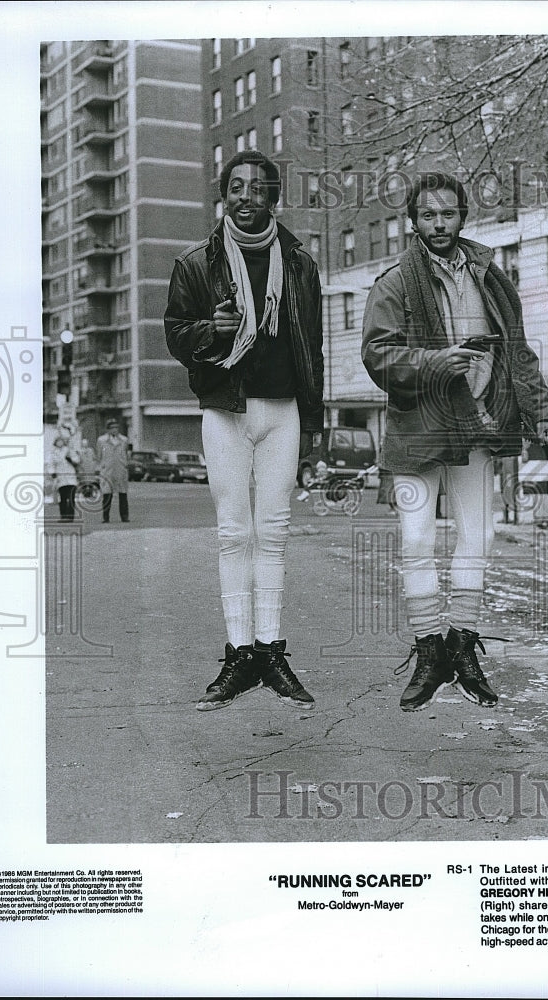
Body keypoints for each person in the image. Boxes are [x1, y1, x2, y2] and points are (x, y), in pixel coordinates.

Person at [361, 171, 548, 713]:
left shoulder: (491, 278)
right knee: (417, 540)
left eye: (448, 214)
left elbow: (518, 352)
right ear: (414, 220)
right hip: (418, 429)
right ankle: (428, 653)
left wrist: (541, 413)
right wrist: (434, 360)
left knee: (479, 537)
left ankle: (462, 647)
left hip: (478, 425)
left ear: (463, 216)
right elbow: (377, 354)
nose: (439, 224)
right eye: (428, 215)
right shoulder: (395, 282)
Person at [164, 150, 324, 713]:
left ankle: (270, 650)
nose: (246, 197)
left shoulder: (300, 264)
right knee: (235, 531)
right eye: (236, 187)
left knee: (273, 532)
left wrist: (317, 423)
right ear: (223, 195)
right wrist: (212, 330)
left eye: (258, 189)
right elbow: (176, 333)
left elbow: (313, 350)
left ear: (274, 198)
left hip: (283, 410)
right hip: (226, 408)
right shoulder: (196, 262)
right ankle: (238, 653)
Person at [96, 418, 130, 523]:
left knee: (123, 494)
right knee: (107, 494)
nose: (115, 430)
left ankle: (124, 516)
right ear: (108, 429)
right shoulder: (102, 440)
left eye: (116, 427)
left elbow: (126, 454)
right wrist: (100, 468)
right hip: (107, 470)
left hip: (120, 469)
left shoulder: (124, 440)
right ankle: (105, 517)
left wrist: (125, 465)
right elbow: (99, 456)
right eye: (112, 428)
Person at [48, 434, 79, 521]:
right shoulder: (53, 453)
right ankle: (64, 516)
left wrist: (71, 459)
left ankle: (70, 516)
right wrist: (53, 473)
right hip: (61, 478)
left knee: (71, 497)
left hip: (71, 477)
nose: (60, 443)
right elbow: (51, 464)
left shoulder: (69, 450)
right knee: (63, 498)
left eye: (61, 441)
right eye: (58, 441)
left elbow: (77, 460)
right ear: (55, 443)